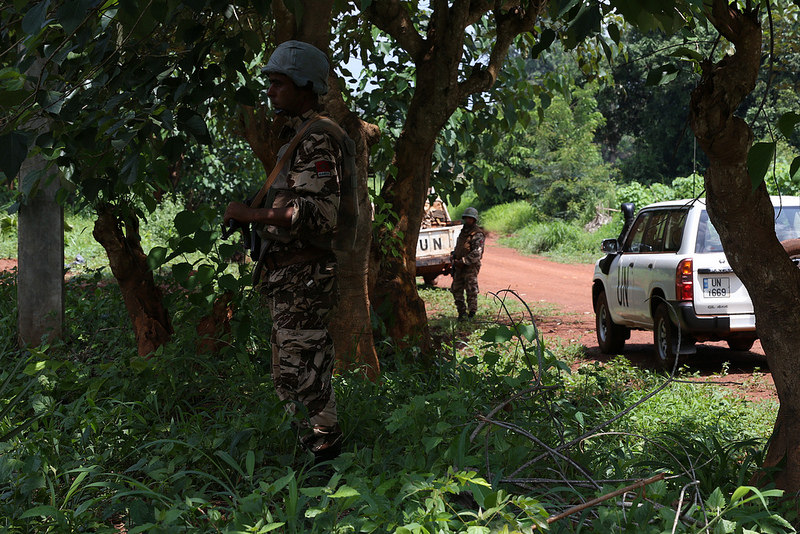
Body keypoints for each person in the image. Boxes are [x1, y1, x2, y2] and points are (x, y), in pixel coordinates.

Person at [223, 40, 343, 461]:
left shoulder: (317, 140)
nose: (270, 92)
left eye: (278, 83)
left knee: (305, 373)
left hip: (305, 277)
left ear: (304, 85)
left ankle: (326, 465)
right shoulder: (298, 137)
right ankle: (311, 462)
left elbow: (319, 213)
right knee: (291, 372)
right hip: (291, 277)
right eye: (269, 83)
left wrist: (253, 216)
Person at [451, 207, 485, 321]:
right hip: (459, 266)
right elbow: (459, 247)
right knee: (456, 288)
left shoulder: (477, 234)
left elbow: (477, 253)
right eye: (466, 218)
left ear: (474, 220)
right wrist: (454, 256)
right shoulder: (463, 231)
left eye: (470, 218)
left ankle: (472, 313)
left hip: (470, 266)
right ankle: (461, 313)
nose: (468, 220)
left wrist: (464, 261)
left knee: (471, 290)